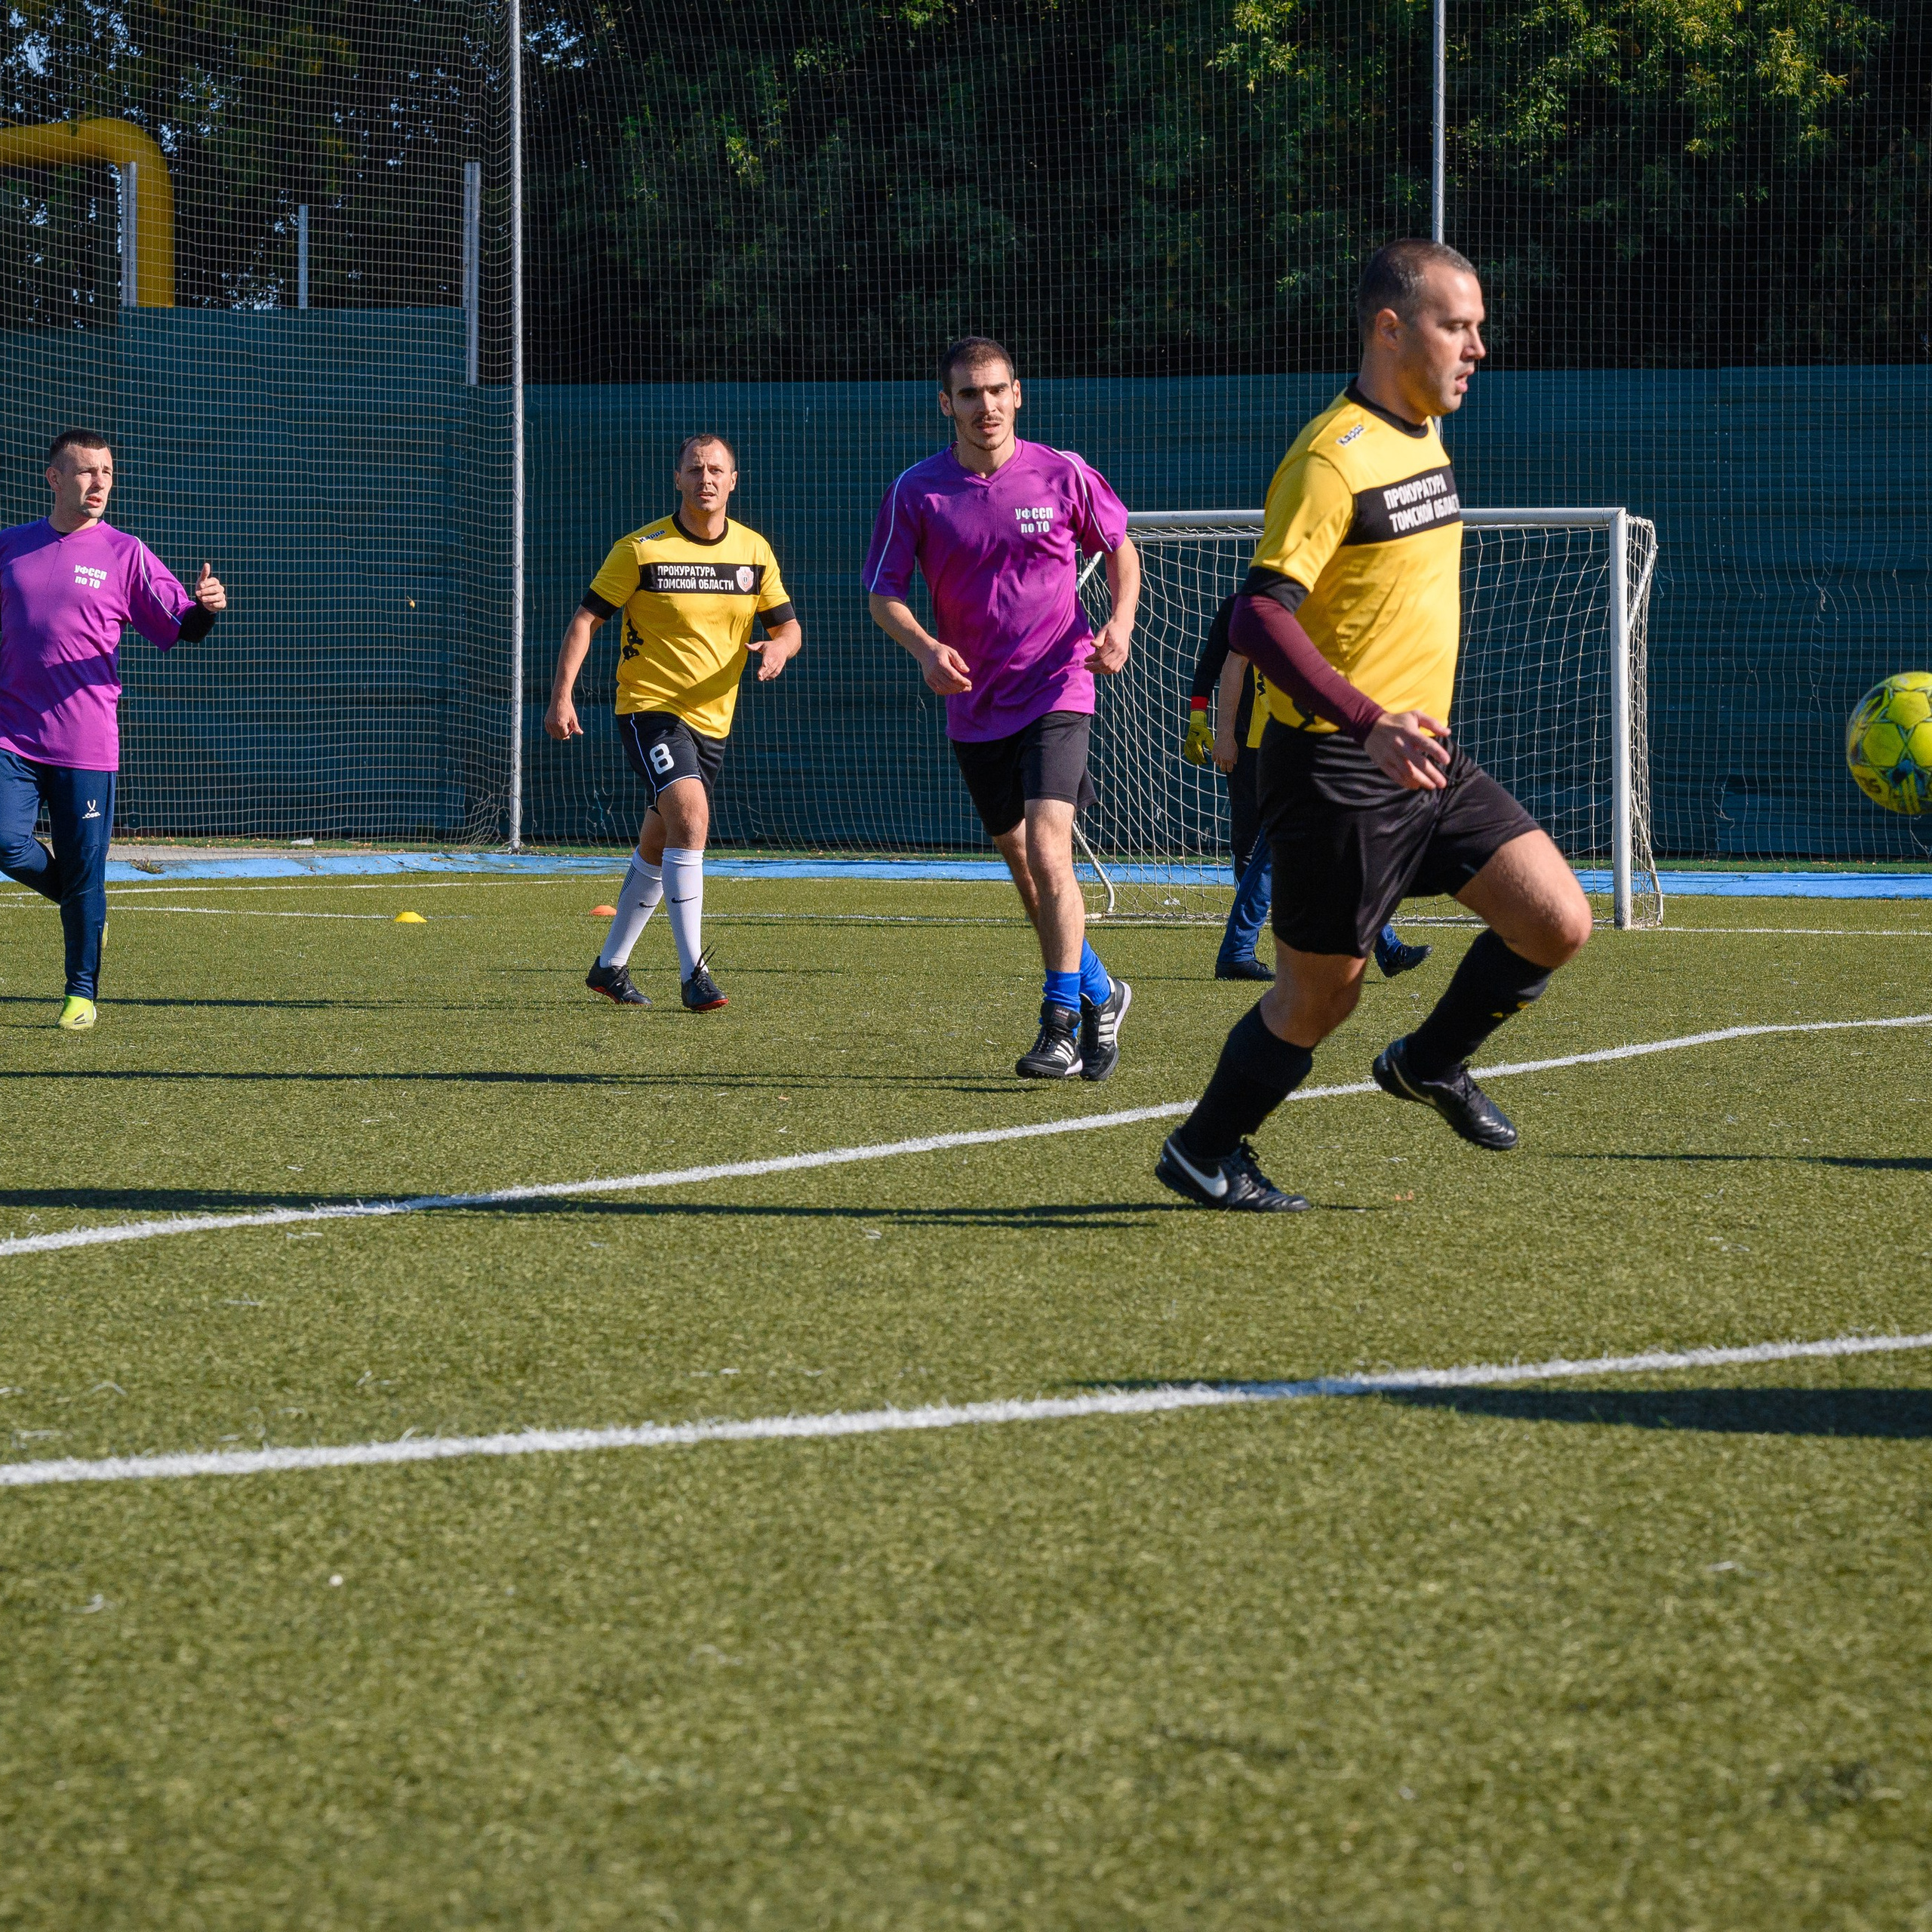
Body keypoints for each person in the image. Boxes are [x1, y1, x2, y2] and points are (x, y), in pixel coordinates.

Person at [1155, 240, 1595, 1211]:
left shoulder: (1426, 431)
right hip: (1335, 766)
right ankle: (1202, 1149)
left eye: (1478, 326)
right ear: (1389, 329)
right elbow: (1257, 615)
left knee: (1557, 920)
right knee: (1322, 997)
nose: (1477, 346)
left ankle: (1428, 1063)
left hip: (1423, 754)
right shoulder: (1328, 459)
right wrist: (1366, 721)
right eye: (1456, 325)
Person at [864, 337, 1140, 1081]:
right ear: (945, 404)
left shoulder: (1063, 473)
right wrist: (925, 648)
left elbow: (1119, 547)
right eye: (968, 394)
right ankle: (1100, 990)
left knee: (1051, 849)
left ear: (1017, 393)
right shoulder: (916, 491)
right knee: (1025, 869)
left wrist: (1118, 623)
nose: (984, 406)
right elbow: (882, 593)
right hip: (974, 705)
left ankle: (1058, 1022)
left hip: (1058, 687)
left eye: (995, 391)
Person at [546, 432, 801, 1011]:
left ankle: (609, 967)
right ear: (678, 478)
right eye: (695, 469)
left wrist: (782, 648)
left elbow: (789, 626)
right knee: (691, 815)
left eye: (717, 469)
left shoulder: (754, 552)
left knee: (659, 842)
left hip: (714, 721)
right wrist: (562, 697)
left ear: (734, 480)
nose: (706, 478)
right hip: (649, 709)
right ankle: (694, 975)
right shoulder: (641, 549)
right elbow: (586, 621)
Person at [0, 429, 226, 1030]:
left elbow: (181, 629)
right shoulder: (9, 547)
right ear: (53, 478)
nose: (98, 484)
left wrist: (204, 607)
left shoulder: (126, 553)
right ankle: (84, 903)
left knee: (85, 871)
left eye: (106, 472)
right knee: (5, 842)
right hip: (10, 736)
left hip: (85, 743)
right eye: (84, 472)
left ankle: (81, 994)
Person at [1184, 593, 1430, 983]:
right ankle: (1240, 950)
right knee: (1266, 852)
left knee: (1333, 843)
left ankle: (1384, 947)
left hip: (1310, 744)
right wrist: (1224, 733)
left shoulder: (1329, 605)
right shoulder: (1267, 603)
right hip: (1281, 748)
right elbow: (1229, 663)